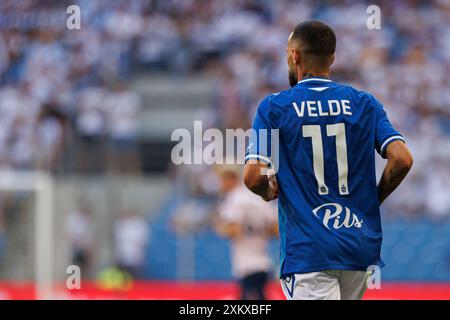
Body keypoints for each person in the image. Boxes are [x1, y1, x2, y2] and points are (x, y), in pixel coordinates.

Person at [243, 21, 413, 300]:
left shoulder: (274, 108)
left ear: (295, 56)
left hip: (309, 251)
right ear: (332, 58)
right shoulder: (364, 103)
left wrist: (267, 191)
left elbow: (252, 177)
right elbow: (402, 159)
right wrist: (372, 200)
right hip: (357, 249)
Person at [214, 164, 278, 300]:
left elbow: (234, 229)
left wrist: (220, 227)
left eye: (222, 179)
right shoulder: (260, 198)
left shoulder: (234, 198)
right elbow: (276, 230)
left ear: (230, 178)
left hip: (245, 264)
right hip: (263, 262)